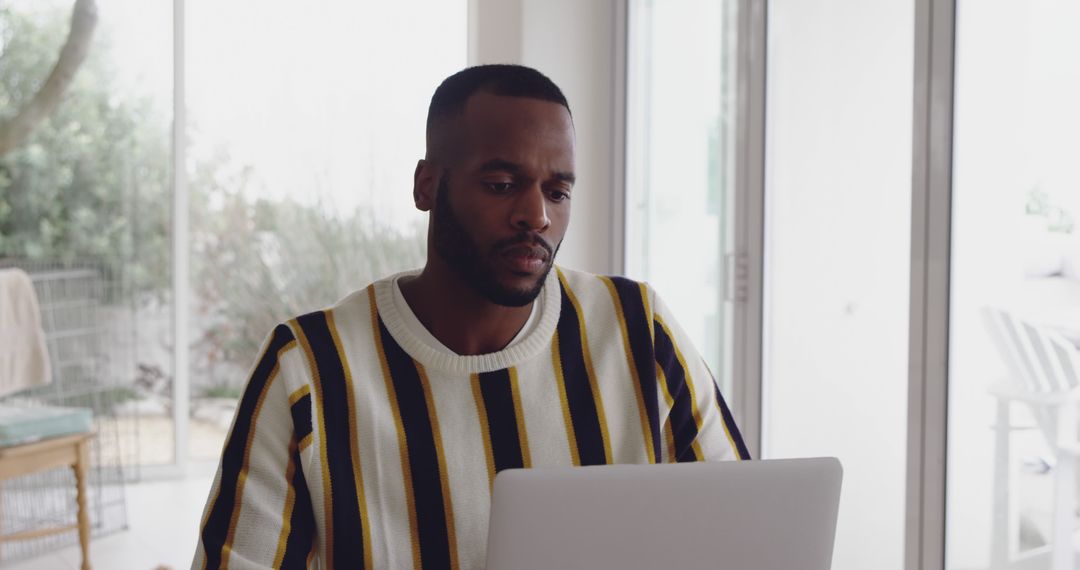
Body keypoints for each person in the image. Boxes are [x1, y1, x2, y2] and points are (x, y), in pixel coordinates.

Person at [193, 64, 749, 570]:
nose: (536, 215)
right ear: (427, 186)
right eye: (502, 185)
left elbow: (744, 533)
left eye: (558, 192)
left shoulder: (637, 331)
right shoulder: (308, 369)